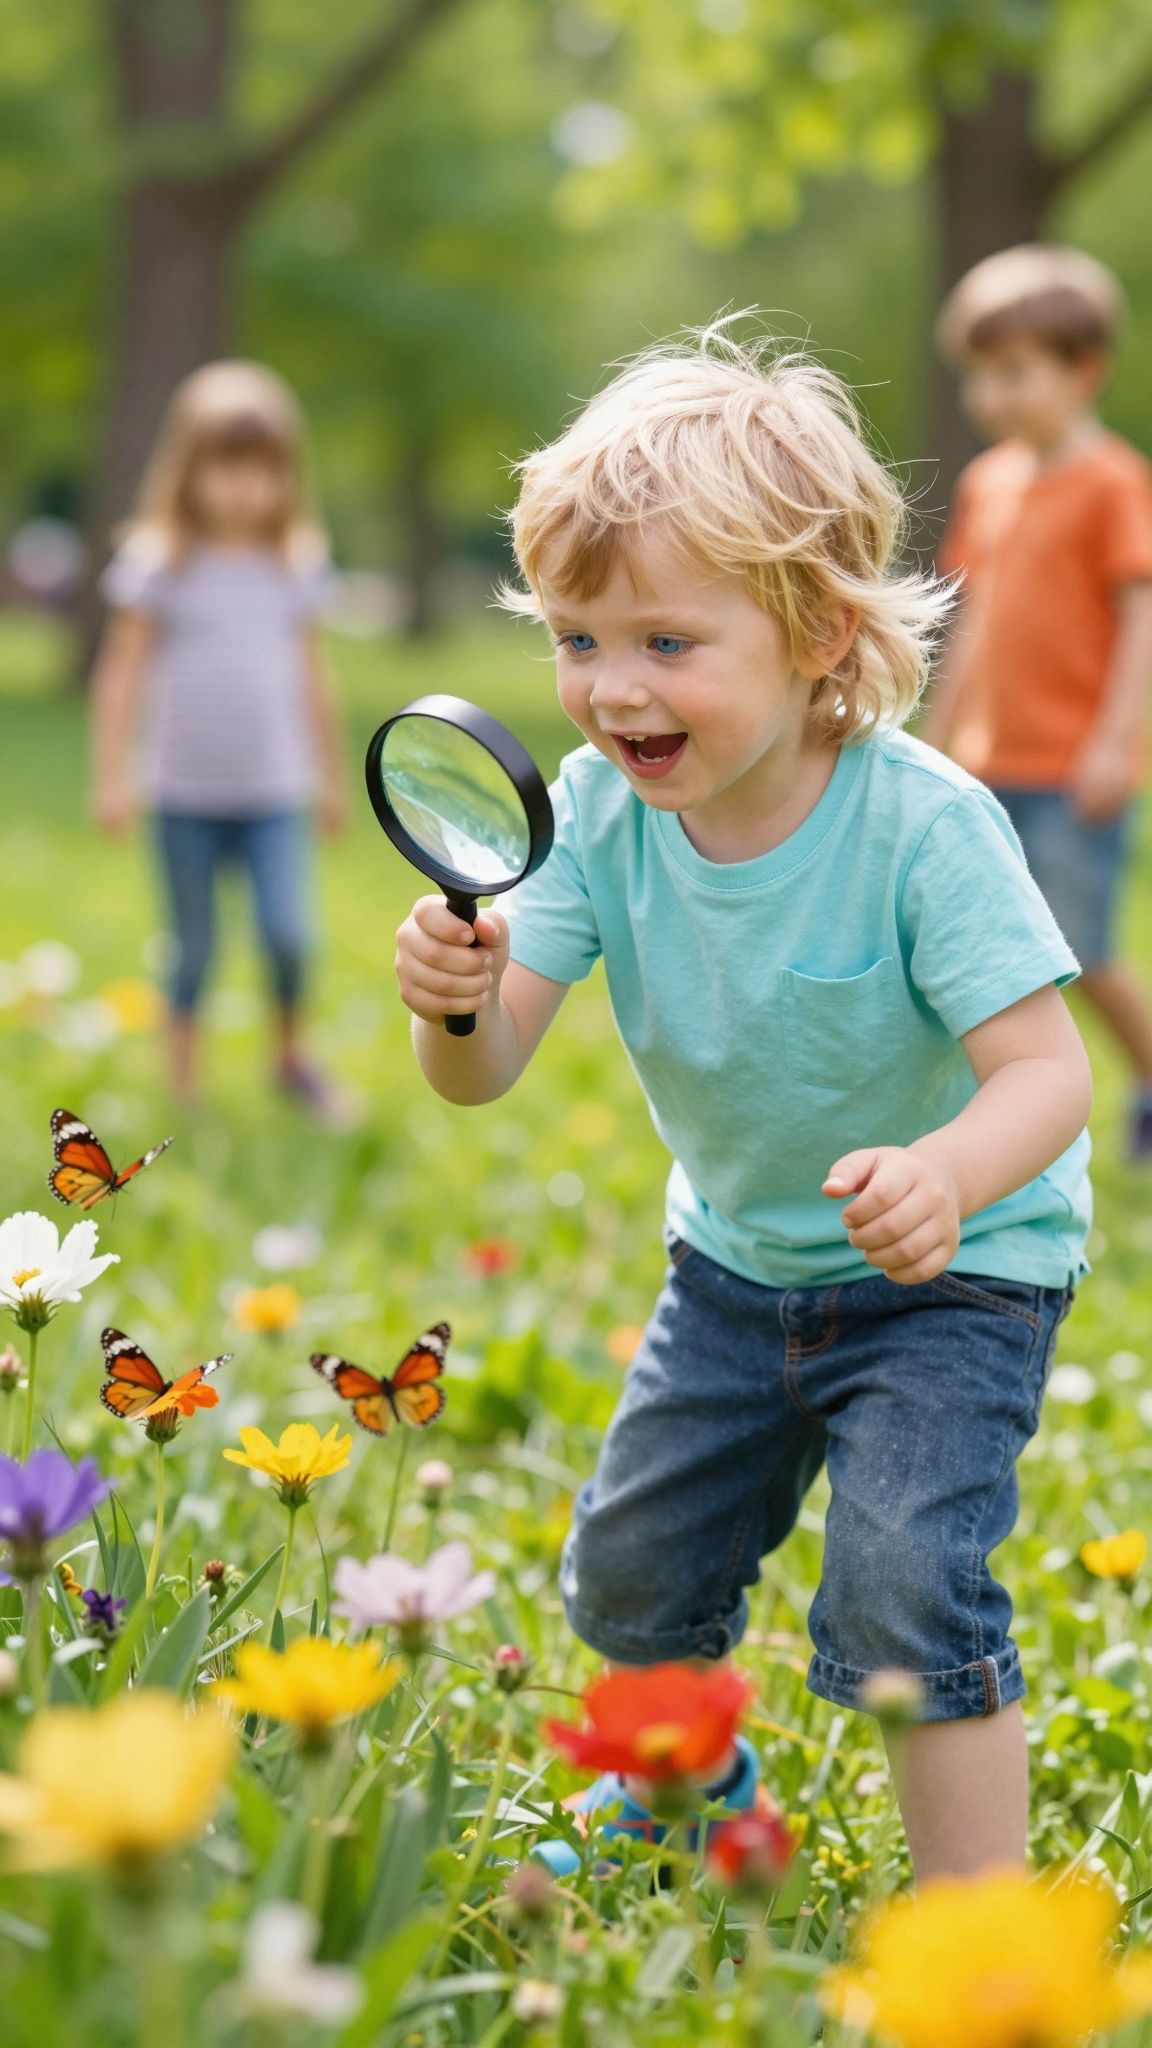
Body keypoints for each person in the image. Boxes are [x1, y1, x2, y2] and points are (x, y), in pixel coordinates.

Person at [393, 324, 1093, 1885]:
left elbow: (1050, 1073)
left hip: (954, 1273)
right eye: (577, 641)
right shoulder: (589, 814)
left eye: (664, 644)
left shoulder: (925, 828)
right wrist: (451, 1003)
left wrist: (945, 1174)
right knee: (632, 1575)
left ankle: (974, 1916)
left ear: (820, 634)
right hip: (733, 1268)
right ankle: (690, 1796)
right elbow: (482, 1071)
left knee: (912, 1577)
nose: (609, 690)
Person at [922, 245, 1152, 1157]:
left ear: (1082, 369)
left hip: (1070, 770)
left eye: (1015, 373)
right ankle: (991, 1116)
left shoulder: (1112, 481)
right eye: (981, 375)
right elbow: (972, 623)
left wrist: (1113, 742)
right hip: (987, 765)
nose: (993, 397)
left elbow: (1141, 619)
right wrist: (935, 738)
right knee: (982, 949)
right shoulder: (990, 482)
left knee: (1080, 952)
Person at [90, 360, 348, 1117]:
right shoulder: (158, 563)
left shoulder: (292, 565)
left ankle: (291, 1058)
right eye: (225, 468)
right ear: (187, 469)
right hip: (183, 793)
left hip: (274, 790)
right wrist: (112, 774)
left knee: (289, 933)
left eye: (262, 470)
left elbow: (313, 680)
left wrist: (331, 779)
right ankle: (182, 1085)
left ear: (286, 477)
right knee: (192, 945)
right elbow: (120, 674)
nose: (244, 488)